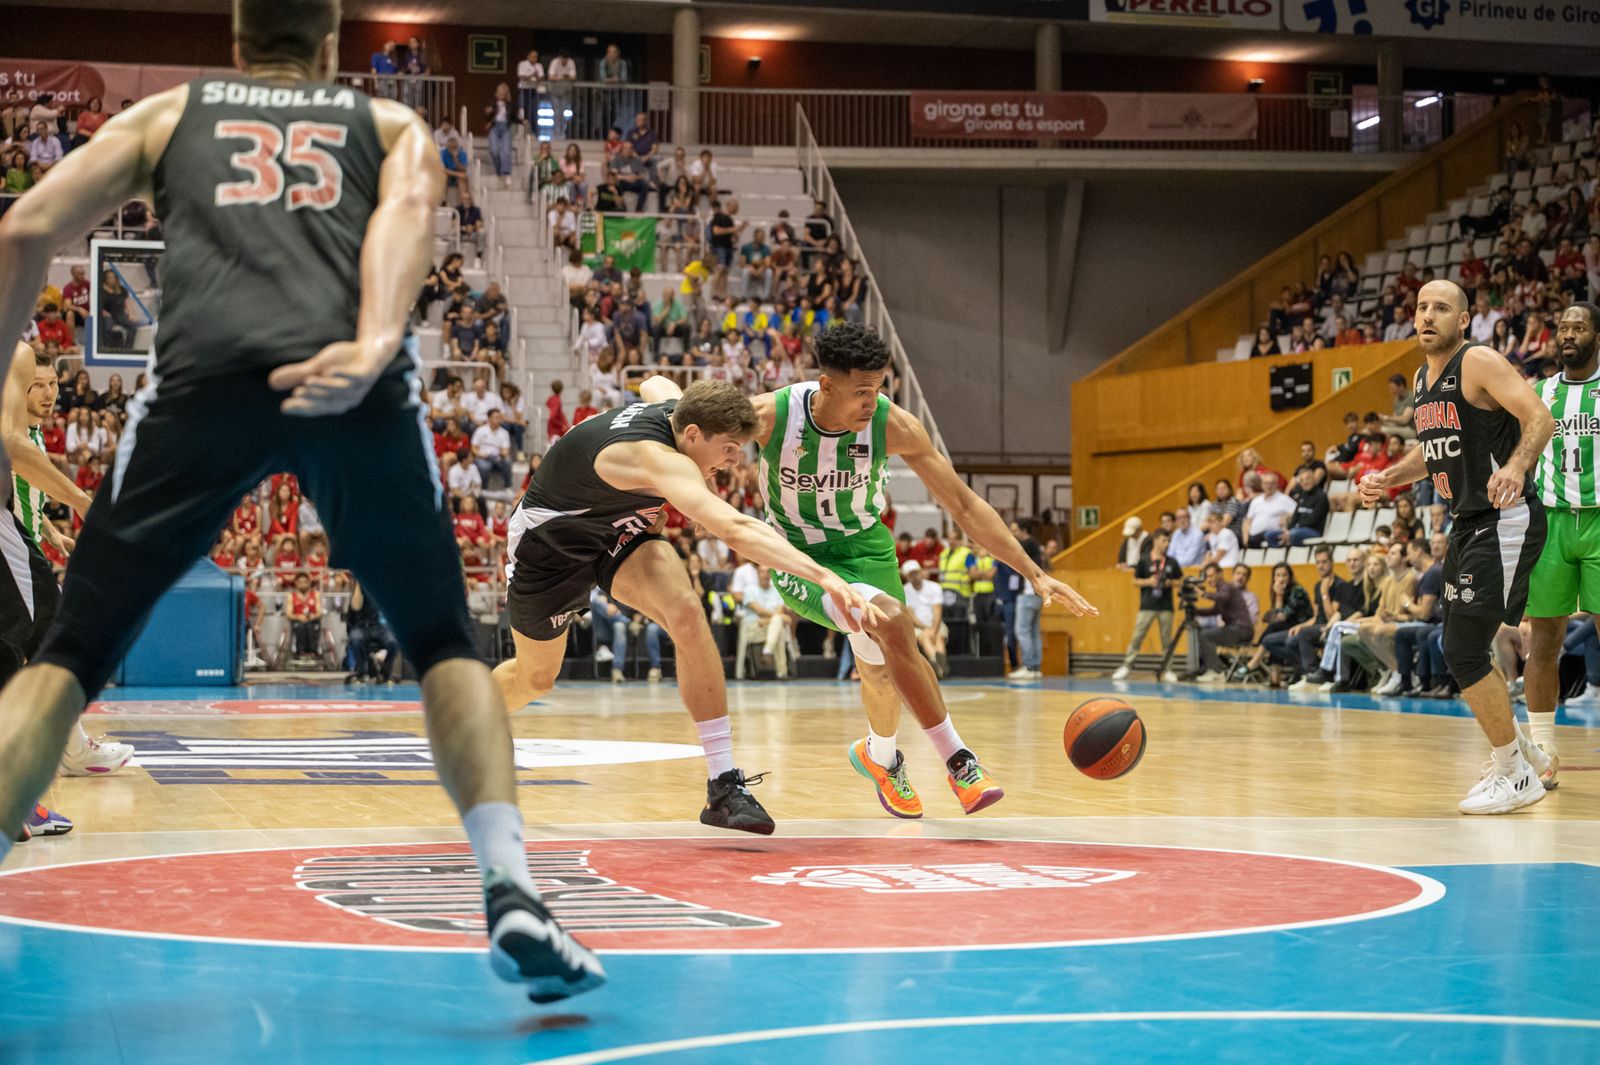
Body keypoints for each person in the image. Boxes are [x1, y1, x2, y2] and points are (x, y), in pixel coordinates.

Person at [0, 4, 604, 1001]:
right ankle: (510, 887)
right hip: (352, 387)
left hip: (202, 382)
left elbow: (25, 224)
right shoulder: (387, 127)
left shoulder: (172, 114)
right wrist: (372, 340)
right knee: (449, 649)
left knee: (65, 657)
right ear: (331, 47)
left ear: (236, 40)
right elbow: (406, 220)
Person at [741, 323, 1096, 818]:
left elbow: (966, 507)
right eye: (861, 391)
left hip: (867, 548)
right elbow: (690, 434)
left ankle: (880, 757)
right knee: (888, 621)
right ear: (826, 385)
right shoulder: (770, 416)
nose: (873, 401)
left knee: (880, 665)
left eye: (880, 387)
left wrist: (1033, 571)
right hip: (798, 554)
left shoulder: (894, 424)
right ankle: (959, 760)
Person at [493, 379, 876, 835]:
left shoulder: (678, 411)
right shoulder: (657, 458)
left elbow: (655, 382)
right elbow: (733, 529)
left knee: (687, 614)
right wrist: (826, 577)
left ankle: (723, 785)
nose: (735, 462)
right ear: (692, 434)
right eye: (730, 449)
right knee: (536, 678)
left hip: (618, 532)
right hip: (551, 549)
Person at [1358, 280, 1555, 815]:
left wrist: (1516, 466)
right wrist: (1390, 477)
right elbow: (1434, 450)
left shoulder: (1479, 361)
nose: (1428, 316)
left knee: (1462, 650)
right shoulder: (1424, 380)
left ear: (1464, 319)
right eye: (1421, 307)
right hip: (1467, 524)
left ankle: (1515, 774)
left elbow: (1540, 417)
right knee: (1464, 645)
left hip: (1505, 518)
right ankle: (1524, 756)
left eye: (1441, 308)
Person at [1521, 302, 1600, 789]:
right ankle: (1543, 750)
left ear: (1596, 335)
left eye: (1579, 327)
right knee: (1543, 639)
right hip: (1550, 523)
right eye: (1563, 328)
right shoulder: (1540, 393)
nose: (1568, 335)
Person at [1111, 529, 1181, 681]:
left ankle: (1168, 669)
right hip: (1147, 605)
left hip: (1166, 606)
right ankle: (1126, 666)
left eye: (1168, 541)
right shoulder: (1144, 560)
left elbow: (1179, 581)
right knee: (1137, 636)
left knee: (1167, 639)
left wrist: (1169, 582)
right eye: (1164, 541)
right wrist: (1149, 581)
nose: (1166, 544)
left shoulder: (1171, 562)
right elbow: (1135, 581)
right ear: (1155, 540)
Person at [1188, 561, 1253, 683]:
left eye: (1211, 576)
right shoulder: (1222, 590)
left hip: (1241, 629)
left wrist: (1204, 594)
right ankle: (1209, 668)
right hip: (1237, 629)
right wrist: (1197, 611)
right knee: (1205, 633)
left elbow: (1223, 597)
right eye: (1207, 576)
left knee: (1206, 635)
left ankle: (1217, 671)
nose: (1209, 579)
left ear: (1220, 574)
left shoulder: (1226, 587)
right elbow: (1216, 610)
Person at [590, 586, 662, 683]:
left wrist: (636, 621)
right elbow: (601, 599)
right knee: (595, 601)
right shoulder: (609, 585)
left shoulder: (634, 591)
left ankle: (617, 670)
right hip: (607, 626)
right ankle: (624, 621)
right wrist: (607, 606)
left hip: (627, 630)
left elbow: (639, 614)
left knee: (619, 626)